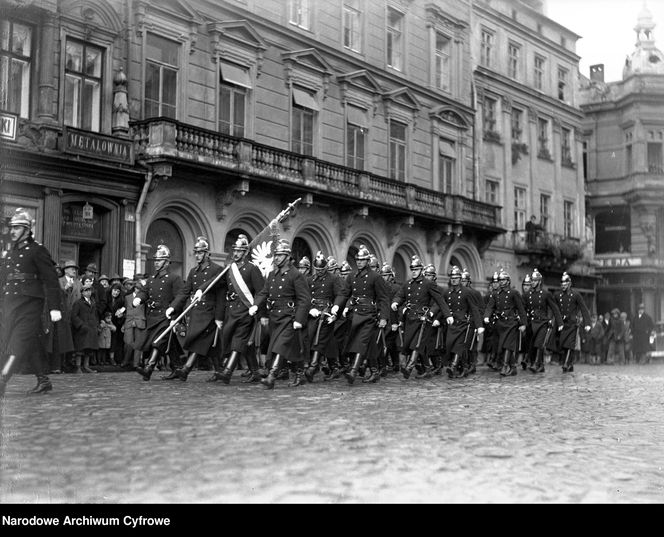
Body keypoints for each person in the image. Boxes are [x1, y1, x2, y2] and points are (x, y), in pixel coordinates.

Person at [0, 209, 63, 396]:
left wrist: (54, 307)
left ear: (27, 230)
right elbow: (3, 279)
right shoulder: (9, 252)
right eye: (11, 227)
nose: (12, 231)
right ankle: (44, 380)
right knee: (30, 341)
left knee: (17, 342)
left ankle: (3, 378)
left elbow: (51, 279)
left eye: (17, 228)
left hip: (30, 304)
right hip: (11, 303)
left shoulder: (37, 250)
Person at [249, 239, 311, 389]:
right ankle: (300, 374)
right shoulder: (272, 274)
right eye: (275, 255)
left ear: (288, 257)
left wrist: (299, 319)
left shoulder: (295, 274)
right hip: (275, 317)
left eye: (280, 255)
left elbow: (305, 299)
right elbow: (264, 292)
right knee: (290, 348)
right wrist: (256, 305)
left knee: (280, 347)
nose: (276, 258)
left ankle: (271, 377)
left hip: (289, 317)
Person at [167, 237, 224, 381]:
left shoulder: (217, 269)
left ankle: (186, 369)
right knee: (210, 345)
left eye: (200, 252)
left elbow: (221, 296)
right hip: (196, 312)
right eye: (196, 253)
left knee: (199, 341)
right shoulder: (193, 272)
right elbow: (184, 292)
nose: (197, 255)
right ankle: (219, 372)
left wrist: (219, 317)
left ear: (207, 253)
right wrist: (173, 307)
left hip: (210, 312)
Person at [212, 233, 265, 384]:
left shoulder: (252, 269)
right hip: (232, 310)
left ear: (246, 252)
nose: (235, 253)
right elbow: (218, 284)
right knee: (239, 343)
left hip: (246, 310)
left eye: (239, 251)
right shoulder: (230, 269)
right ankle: (255, 372)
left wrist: (256, 307)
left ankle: (227, 372)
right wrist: (201, 289)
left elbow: (261, 291)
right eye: (234, 250)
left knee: (238, 340)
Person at [392, 256, 452, 380]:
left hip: (423, 319)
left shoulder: (428, 284)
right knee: (410, 344)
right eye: (412, 269)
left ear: (421, 270)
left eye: (416, 269)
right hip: (410, 319)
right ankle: (428, 368)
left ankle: (409, 367)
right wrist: (396, 302)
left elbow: (439, 300)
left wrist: (448, 315)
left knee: (417, 344)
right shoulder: (408, 284)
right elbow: (400, 295)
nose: (414, 271)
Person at [134, 244, 185, 381]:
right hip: (152, 316)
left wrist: (173, 311)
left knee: (158, 342)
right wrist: (139, 298)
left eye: (160, 260)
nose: (156, 263)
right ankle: (178, 369)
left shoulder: (174, 278)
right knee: (169, 344)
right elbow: (145, 292)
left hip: (166, 316)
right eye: (155, 260)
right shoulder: (151, 279)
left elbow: (180, 297)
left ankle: (149, 368)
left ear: (167, 262)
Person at [341, 245, 389, 384]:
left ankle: (353, 371)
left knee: (361, 342)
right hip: (355, 314)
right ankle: (374, 371)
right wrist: (341, 306)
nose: (359, 262)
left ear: (367, 261)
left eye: (362, 260)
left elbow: (383, 298)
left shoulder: (376, 277)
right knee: (367, 344)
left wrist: (384, 317)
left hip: (370, 315)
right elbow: (346, 293)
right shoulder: (352, 276)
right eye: (357, 260)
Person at [303, 251, 347, 382]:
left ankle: (313, 366)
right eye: (317, 269)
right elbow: (305, 297)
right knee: (319, 339)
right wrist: (310, 309)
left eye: (321, 269)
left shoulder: (334, 279)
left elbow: (341, 294)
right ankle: (334, 367)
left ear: (326, 268)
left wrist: (336, 308)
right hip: (314, 313)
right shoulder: (309, 280)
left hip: (327, 313)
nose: (319, 271)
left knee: (320, 338)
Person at [483, 269, 528, 376]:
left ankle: (505, 366)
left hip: (511, 323)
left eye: (503, 280)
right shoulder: (496, 294)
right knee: (501, 346)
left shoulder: (514, 293)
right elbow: (490, 306)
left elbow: (521, 309)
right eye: (500, 280)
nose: (501, 282)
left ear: (508, 281)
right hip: (500, 323)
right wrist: (486, 316)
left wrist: (523, 323)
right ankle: (513, 367)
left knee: (507, 345)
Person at [442, 266, 484, 378]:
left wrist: (479, 325)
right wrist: (436, 318)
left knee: (459, 346)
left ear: (460, 279)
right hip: (452, 324)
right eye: (452, 277)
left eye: (456, 277)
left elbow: (475, 309)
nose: (454, 279)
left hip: (463, 324)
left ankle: (453, 366)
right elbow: (442, 305)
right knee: (450, 345)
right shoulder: (447, 292)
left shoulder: (467, 292)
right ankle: (464, 367)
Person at [523, 268, 562, 374]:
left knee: (539, 344)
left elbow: (555, 308)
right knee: (532, 345)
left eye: (535, 281)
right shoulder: (527, 295)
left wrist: (560, 323)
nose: (533, 283)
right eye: (532, 280)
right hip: (532, 323)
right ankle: (540, 365)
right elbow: (523, 308)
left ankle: (536, 364)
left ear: (539, 281)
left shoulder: (546, 294)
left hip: (543, 322)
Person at [555, 272, 592, 372]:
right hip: (563, 323)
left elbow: (584, 309)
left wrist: (587, 323)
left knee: (570, 345)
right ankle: (570, 363)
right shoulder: (558, 295)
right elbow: (555, 309)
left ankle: (566, 363)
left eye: (565, 283)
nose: (563, 285)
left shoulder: (575, 295)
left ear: (569, 284)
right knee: (563, 344)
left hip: (572, 323)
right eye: (562, 283)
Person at [71, 282, 99, 374]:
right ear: (82, 292)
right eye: (86, 291)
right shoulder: (78, 303)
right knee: (80, 348)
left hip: (91, 329)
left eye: (89, 290)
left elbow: (95, 315)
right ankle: (78, 367)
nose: (88, 292)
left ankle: (86, 366)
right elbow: (74, 316)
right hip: (82, 330)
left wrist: (96, 325)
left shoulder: (93, 302)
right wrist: (81, 325)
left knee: (89, 348)